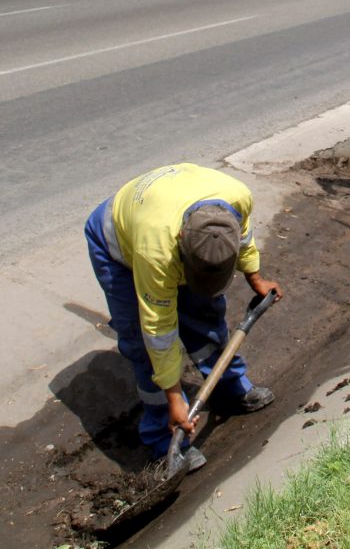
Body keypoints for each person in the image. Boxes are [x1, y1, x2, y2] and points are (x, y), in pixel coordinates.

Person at [85, 163, 284, 468]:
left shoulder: (237, 198)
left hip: (170, 205)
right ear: (180, 240)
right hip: (117, 245)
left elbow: (242, 236)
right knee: (143, 342)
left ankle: (228, 388)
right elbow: (158, 328)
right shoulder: (156, 250)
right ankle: (164, 438)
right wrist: (175, 398)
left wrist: (255, 277)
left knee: (205, 315)